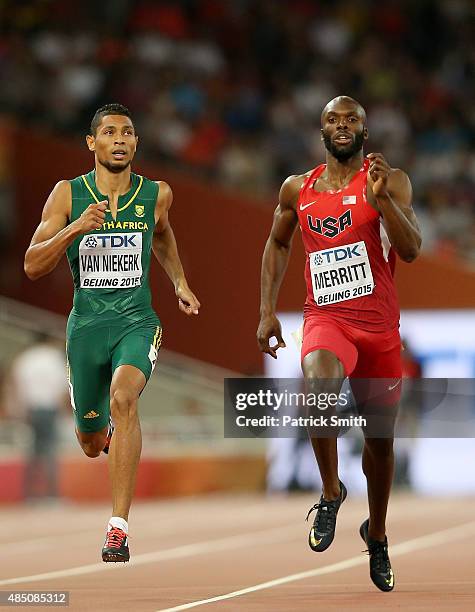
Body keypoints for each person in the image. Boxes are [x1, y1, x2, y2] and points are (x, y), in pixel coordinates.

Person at [257, 96, 421, 592]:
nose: (342, 125)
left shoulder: (390, 181)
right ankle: (330, 490)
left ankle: (378, 534)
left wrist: (383, 199)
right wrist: (266, 311)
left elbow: (411, 249)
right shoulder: (296, 189)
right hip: (326, 318)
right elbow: (278, 243)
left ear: (365, 130)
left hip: (378, 330)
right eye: (333, 119)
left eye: (351, 119)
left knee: (381, 445)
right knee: (318, 387)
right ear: (321, 130)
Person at [24, 103, 200, 563]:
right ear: (92, 143)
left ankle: (117, 527)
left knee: (125, 398)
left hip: (136, 321)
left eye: (127, 132)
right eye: (109, 132)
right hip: (85, 327)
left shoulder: (156, 193)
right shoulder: (67, 195)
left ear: (136, 143)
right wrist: (76, 229)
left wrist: (179, 282)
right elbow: (32, 264)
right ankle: (100, 434)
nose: (119, 139)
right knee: (88, 443)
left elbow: (162, 235)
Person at [6, 332, 68, 501]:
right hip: (49, 408)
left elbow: (15, 386)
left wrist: (18, 409)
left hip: (30, 410)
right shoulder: (54, 357)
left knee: (32, 452)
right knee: (50, 450)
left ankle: (29, 494)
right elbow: (62, 386)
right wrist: (65, 410)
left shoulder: (25, 359)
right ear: (48, 340)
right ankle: (51, 494)